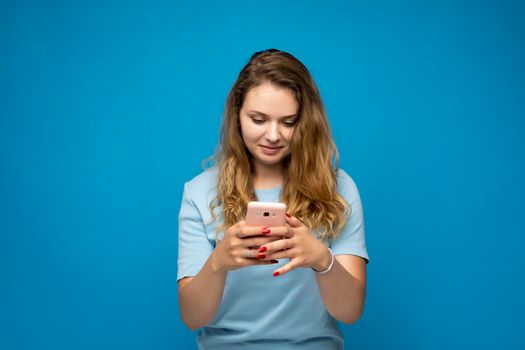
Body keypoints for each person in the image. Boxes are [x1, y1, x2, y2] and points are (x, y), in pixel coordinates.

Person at [177, 48, 369, 350]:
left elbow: (350, 311)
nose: (273, 135)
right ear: (237, 115)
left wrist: (321, 259)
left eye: (289, 122)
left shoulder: (339, 189)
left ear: (306, 121)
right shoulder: (199, 192)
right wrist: (218, 263)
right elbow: (191, 317)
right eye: (258, 119)